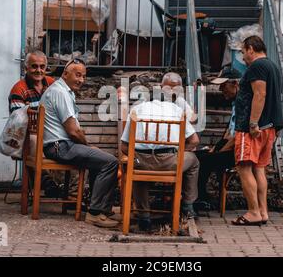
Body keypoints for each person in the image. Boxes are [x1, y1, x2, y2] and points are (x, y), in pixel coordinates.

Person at [40, 58, 120, 228]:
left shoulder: (61, 90)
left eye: (83, 76)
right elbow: (73, 131)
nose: (81, 80)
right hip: (60, 147)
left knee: (99, 161)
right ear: (65, 74)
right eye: (77, 75)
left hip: (59, 145)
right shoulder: (60, 92)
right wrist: (88, 146)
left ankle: (99, 209)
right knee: (111, 162)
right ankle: (95, 213)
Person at [120, 76, 200, 232]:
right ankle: (188, 207)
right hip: (169, 163)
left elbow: (124, 146)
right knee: (194, 161)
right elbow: (195, 140)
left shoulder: (137, 109)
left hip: (141, 162)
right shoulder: (177, 110)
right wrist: (178, 152)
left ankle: (144, 217)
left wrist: (141, 155)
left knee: (134, 165)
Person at [232, 36, 283, 226]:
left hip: (252, 129)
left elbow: (260, 94)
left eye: (243, 51)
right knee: (259, 169)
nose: (243, 56)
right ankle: (263, 212)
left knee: (244, 167)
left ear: (251, 49)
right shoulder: (272, 66)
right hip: (269, 127)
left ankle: (253, 212)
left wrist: (253, 123)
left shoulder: (257, 66)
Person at [8, 50, 58, 194]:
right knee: (34, 139)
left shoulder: (52, 84)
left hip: (50, 132)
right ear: (26, 68)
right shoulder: (19, 89)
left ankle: (70, 192)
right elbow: (18, 121)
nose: (39, 70)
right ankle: (45, 181)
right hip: (25, 135)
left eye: (42, 67)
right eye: (34, 66)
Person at [194, 67, 242, 211]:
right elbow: (228, 134)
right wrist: (215, 149)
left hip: (240, 151)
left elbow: (236, 137)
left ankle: (201, 199)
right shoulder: (235, 104)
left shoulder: (242, 104)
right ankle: (198, 196)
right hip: (230, 147)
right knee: (197, 156)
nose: (221, 89)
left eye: (224, 85)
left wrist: (216, 153)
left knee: (205, 160)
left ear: (235, 84)